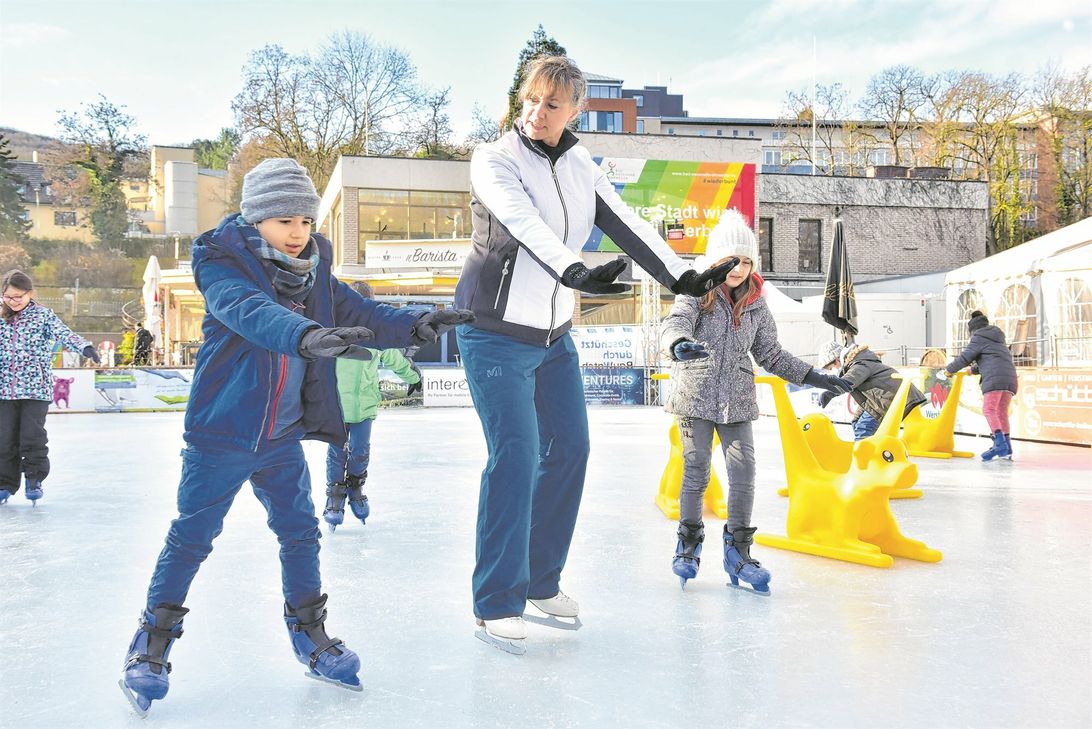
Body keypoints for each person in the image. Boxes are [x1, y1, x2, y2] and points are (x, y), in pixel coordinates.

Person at [118, 158, 473, 716]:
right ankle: (150, 644)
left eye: (306, 221)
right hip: (223, 435)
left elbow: (362, 311)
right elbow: (249, 312)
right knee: (192, 538)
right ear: (256, 218)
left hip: (281, 437)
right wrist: (307, 336)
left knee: (300, 535)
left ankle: (311, 635)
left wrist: (414, 325)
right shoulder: (222, 263)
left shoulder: (313, 274)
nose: (298, 233)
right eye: (285, 221)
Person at [455, 55, 745, 654]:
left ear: (574, 110)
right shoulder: (494, 160)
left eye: (552, 104)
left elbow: (627, 223)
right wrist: (574, 269)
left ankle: (539, 581)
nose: (537, 112)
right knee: (515, 454)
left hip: (554, 336)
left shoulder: (583, 165)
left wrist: (683, 277)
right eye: (530, 99)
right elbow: (524, 224)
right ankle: (494, 600)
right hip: (493, 332)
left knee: (571, 451)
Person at [660, 211, 849, 594]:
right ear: (716, 261)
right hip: (695, 394)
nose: (740, 268)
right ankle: (689, 543)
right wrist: (679, 344)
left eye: (746, 261)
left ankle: (739, 553)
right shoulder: (695, 293)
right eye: (732, 260)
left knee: (744, 473)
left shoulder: (757, 304)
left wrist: (815, 377)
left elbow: (771, 354)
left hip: (738, 399)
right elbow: (674, 323)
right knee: (696, 470)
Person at [322, 281, 423, 532]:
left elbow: (396, 360)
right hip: (337, 405)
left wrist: (414, 378)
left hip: (364, 405)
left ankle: (355, 486)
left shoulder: (375, 336)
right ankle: (335, 494)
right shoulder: (332, 333)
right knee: (337, 451)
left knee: (359, 451)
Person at [0, 269, 100, 506]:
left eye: (18, 297)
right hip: (3, 389)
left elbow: (64, 334)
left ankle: (34, 479)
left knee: (31, 436)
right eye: (8, 297)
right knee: (4, 438)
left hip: (35, 389)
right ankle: (4, 483)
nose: (13, 302)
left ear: (29, 294)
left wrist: (85, 347)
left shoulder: (43, 316)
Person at [942, 309, 1018, 461]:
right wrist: (973, 370)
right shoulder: (998, 338)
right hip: (1010, 378)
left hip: (994, 380)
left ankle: (999, 444)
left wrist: (948, 370)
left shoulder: (979, 337)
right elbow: (994, 360)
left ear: (973, 329)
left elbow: (965, 357)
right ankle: (1007, 446)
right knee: (1001, 411)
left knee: (989, 409)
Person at [815, 339, 926, 440]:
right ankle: (873, 449)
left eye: (832, 367)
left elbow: (848, 381)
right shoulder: (856, 362)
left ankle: (864, 459)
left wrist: (829, 392)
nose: (834, 370)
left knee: (864, 428)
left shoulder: (860, 364)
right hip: (880, 398)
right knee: (856, 422)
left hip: (890, 398)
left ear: (837, 359)